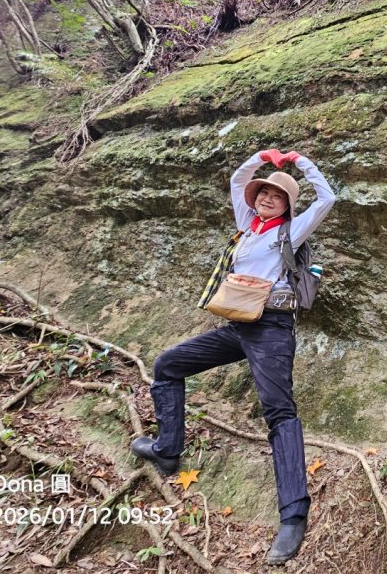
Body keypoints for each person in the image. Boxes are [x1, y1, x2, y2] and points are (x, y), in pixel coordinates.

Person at [130, 148, 336, 564]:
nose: (266, 198)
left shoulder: (290, 232)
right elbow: (237, 182)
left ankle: (294, 516)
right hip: (238, 326)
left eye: (276, 196)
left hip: (272, 331)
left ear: (288, 206)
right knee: (168, 365)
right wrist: (260, 157)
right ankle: (168, 450)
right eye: (263, 192)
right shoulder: (248, 227)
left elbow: (328, 199)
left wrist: (299, 164)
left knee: (279, 412)